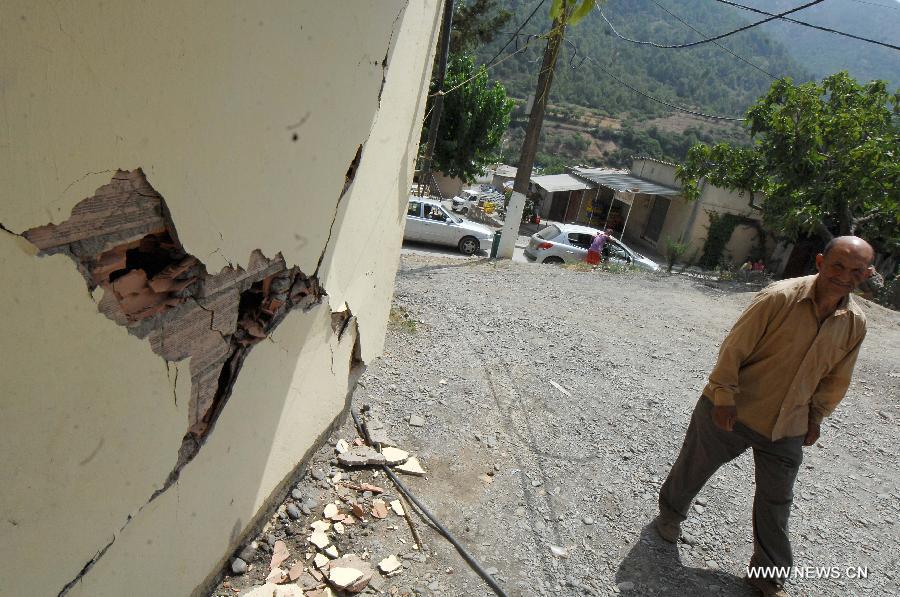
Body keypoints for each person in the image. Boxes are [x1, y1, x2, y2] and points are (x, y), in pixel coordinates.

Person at [655, 236, 875, 597]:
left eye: (855, 271)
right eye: (837, 265)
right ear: (820, 262)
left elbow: (838, 376)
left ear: (865, 275)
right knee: (693, 467)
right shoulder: (779, 298)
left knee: (777, 501)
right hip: (733, 409)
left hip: (787, 426)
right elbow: (734, 347)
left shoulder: (854, 323)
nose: (844, 276)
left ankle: (767, 575)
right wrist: (724, 396)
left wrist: (816, 416)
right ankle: (669, 516)